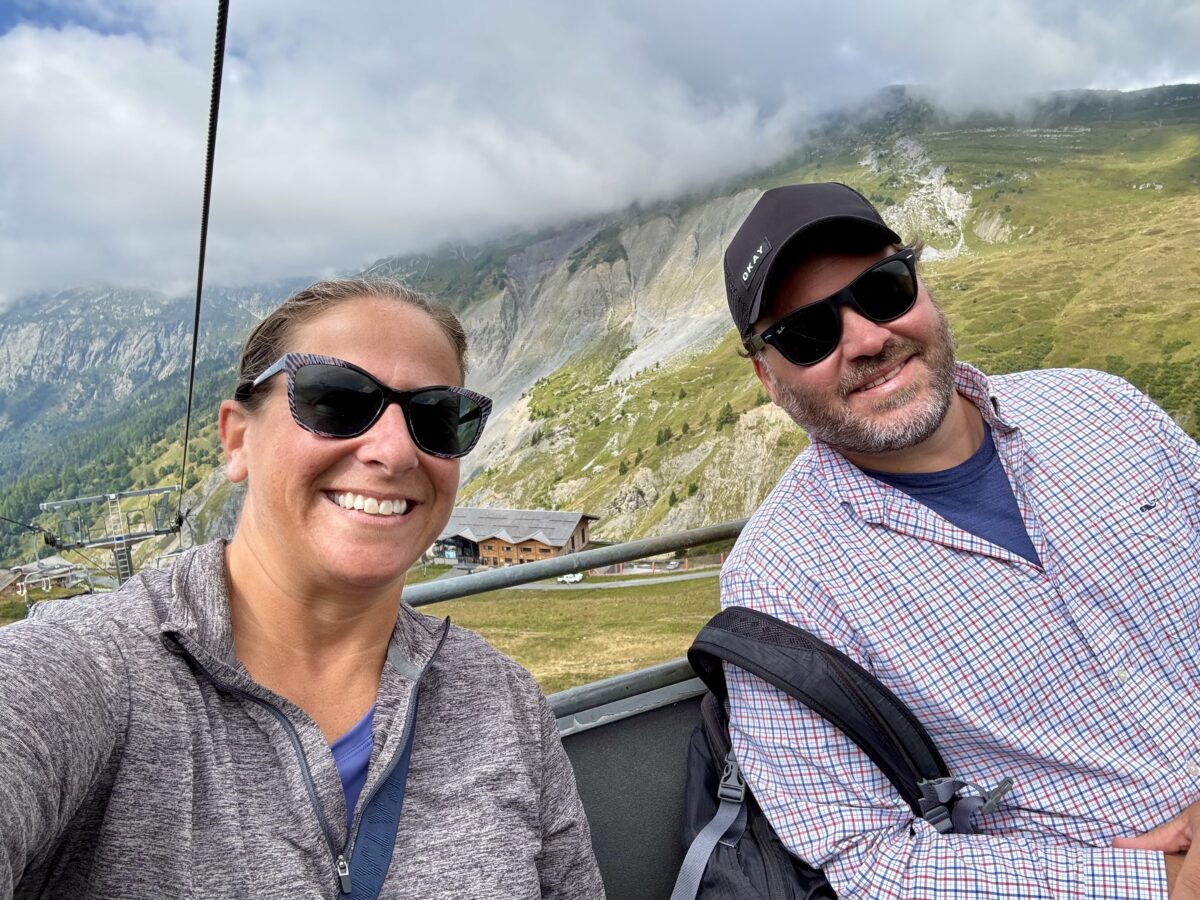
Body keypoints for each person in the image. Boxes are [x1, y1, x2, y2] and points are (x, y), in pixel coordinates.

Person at [0, 279, 604, 899]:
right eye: (336, 401)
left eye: (435, 418)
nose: (395, 453)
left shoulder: (503, 700)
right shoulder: (87, 674)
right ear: (238, 439)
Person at [718, 182, 1200, 898]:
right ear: (766, 374)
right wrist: (1153, 880)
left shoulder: (1106, 408)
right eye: (808, 335)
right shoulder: (779, 583)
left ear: (921, 283)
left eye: (883, 289)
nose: (869, 340)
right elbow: (865, 858)